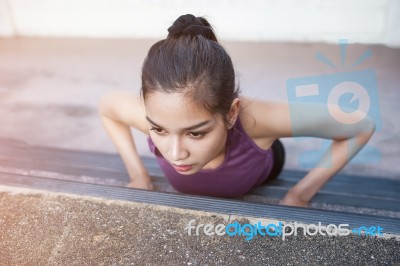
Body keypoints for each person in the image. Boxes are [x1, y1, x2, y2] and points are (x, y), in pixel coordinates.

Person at [98, 14, 375, 207]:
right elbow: (107, 107)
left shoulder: (257, 121)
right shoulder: (156, 115)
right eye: (158, 129)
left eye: (195, 134)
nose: (174, 153)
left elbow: (360, 126)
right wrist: (138, 175)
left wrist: (299, 195)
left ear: (231, 113)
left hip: (260, 153)